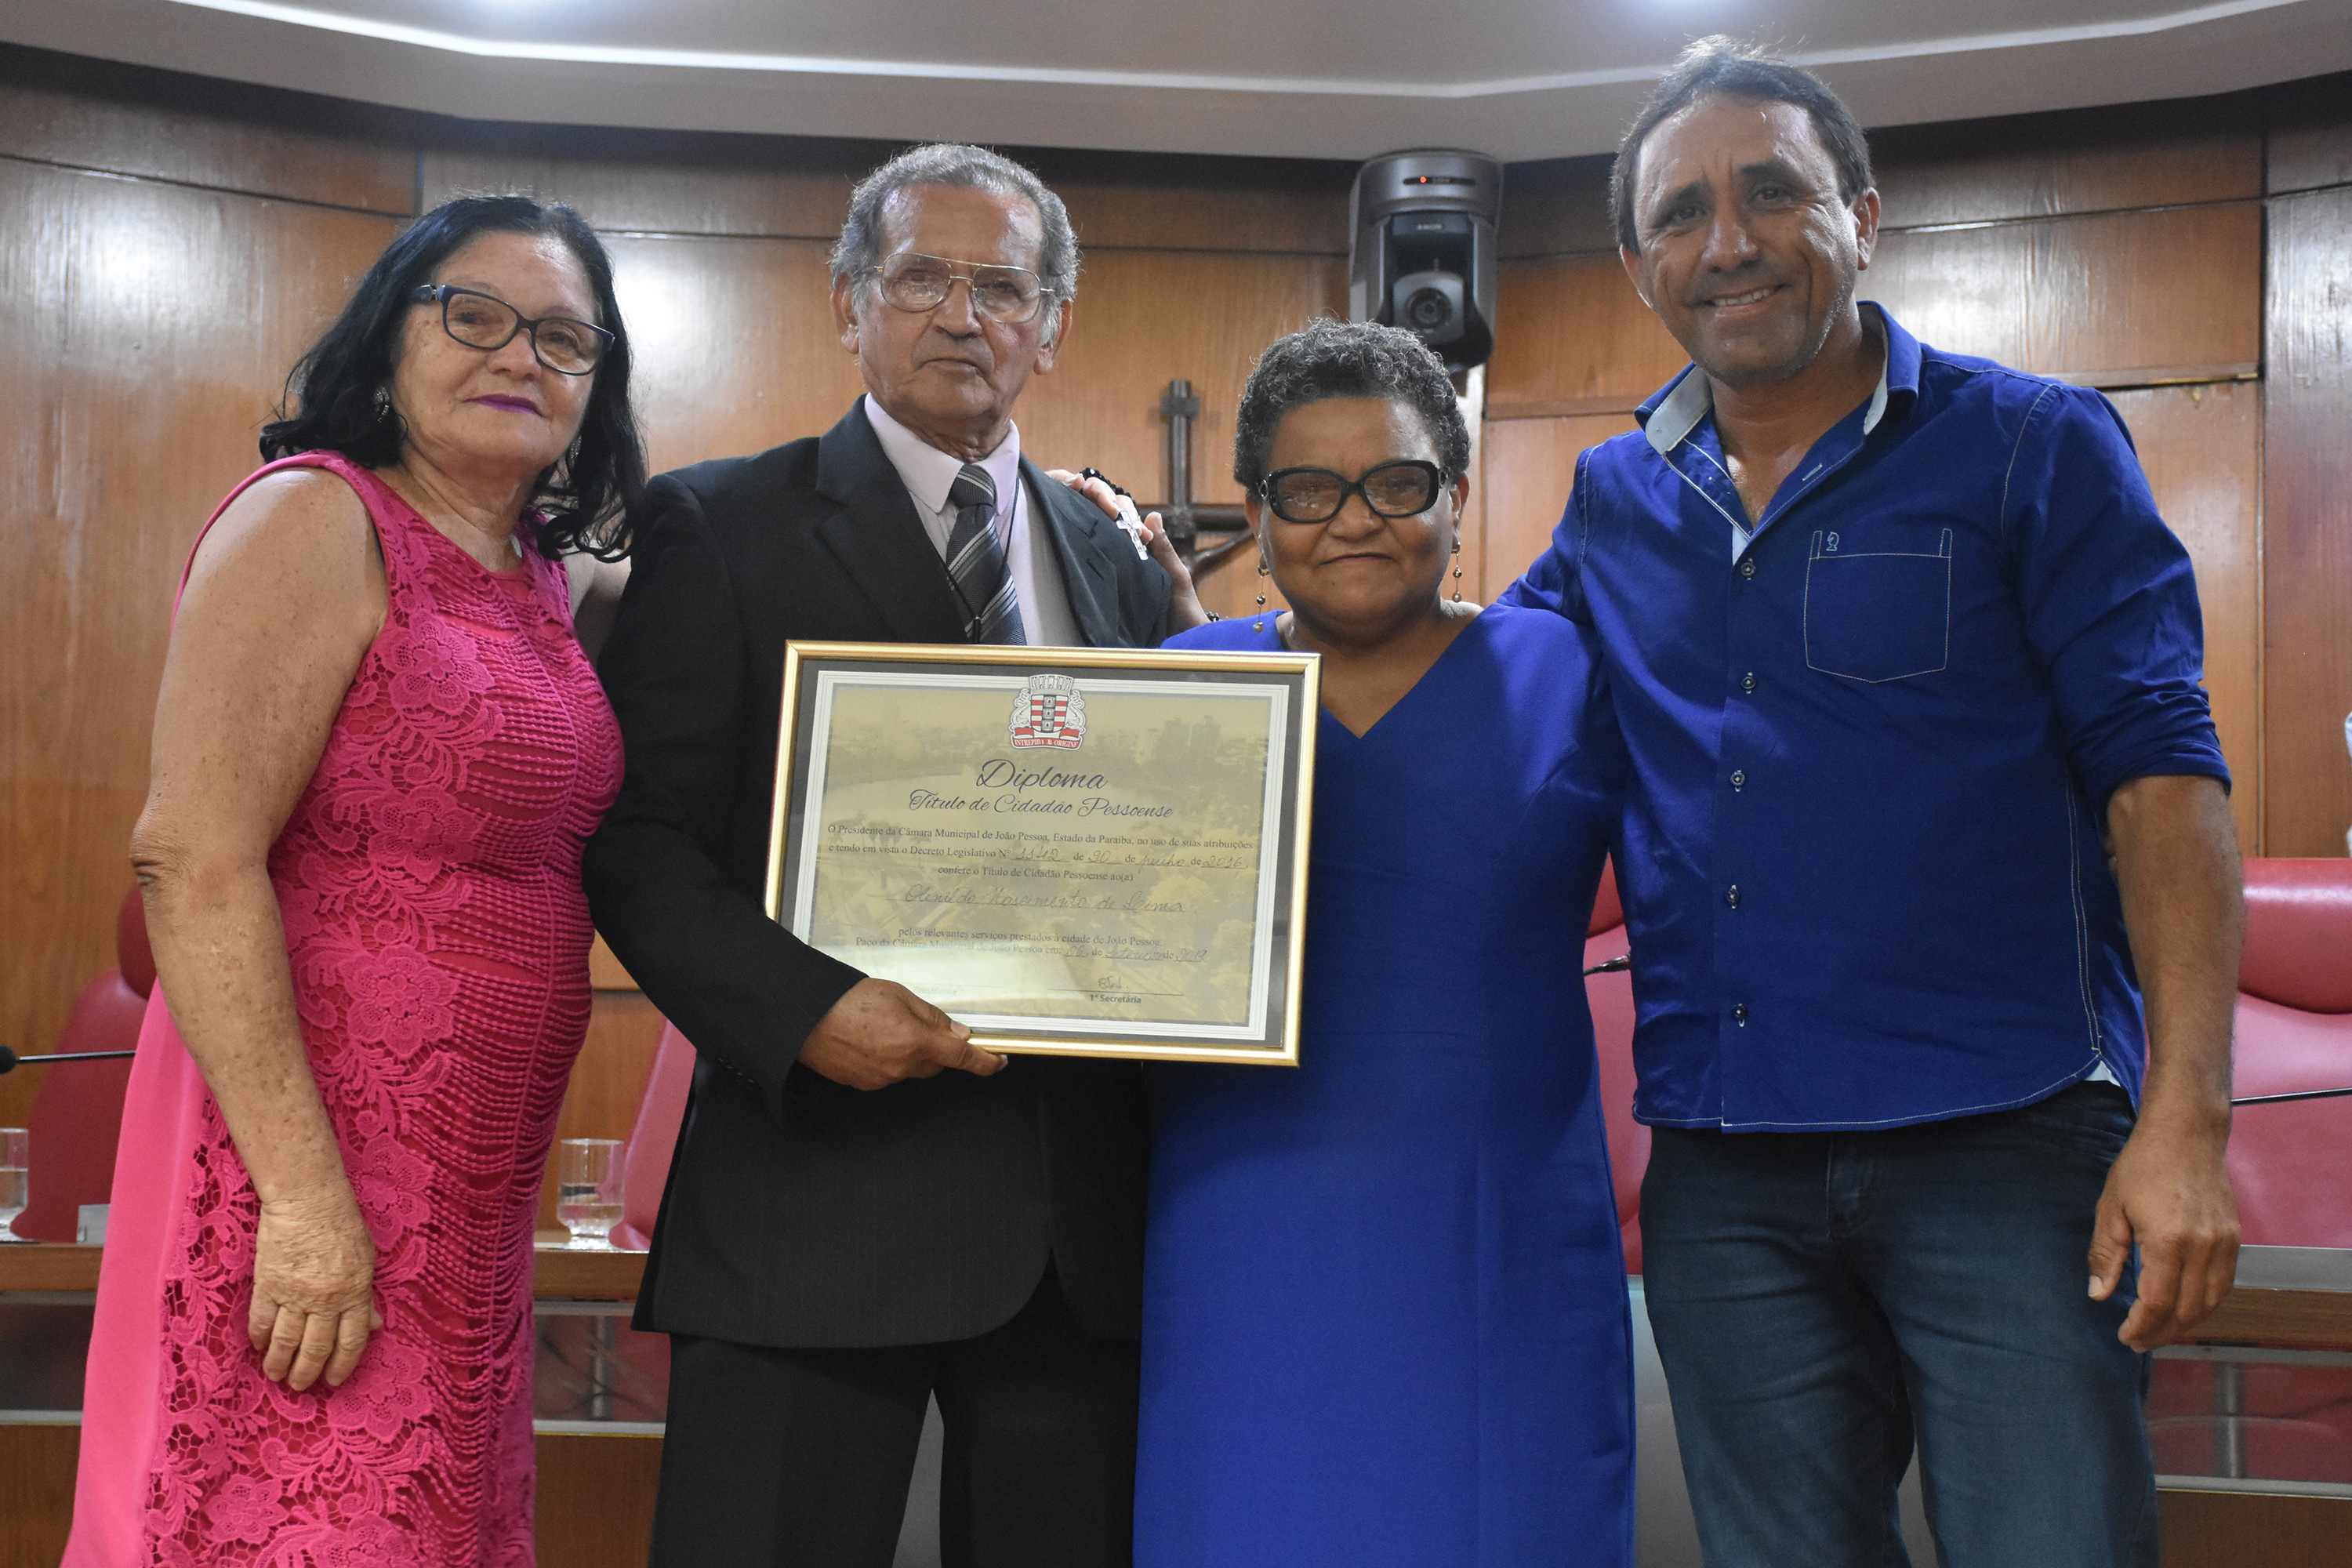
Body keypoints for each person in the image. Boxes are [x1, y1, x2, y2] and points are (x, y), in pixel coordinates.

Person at [1502, 38, 2243, 1567]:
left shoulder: (2032, 443)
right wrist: (1225, 669)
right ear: (1640, 268)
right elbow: (1472, 691)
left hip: (2007, 1141)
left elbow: (2162, 780)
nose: (1729, 241)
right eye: (1681, 214)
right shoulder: (1612, 498)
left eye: (1772, 192)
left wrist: (2186, 1119)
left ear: (1862, 216)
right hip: (1724, 1163)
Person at [583, 143, 1195, 1568]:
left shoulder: (1117, 560)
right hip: (811, 1210)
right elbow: (639, 842)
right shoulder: (718, 523)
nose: (962, 316)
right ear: (850, 302)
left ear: (1053, 324)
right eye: (922, 278)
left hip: (1072, 1234)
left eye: (1003, 287)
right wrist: (807, 1014)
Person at [66, 194, 644, 1566]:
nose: (520, 356)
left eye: (564, 338)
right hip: (309, 1159)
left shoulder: (541, 578)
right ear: (389, 338)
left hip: (471, 1191)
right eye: (475, 316)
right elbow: (191, 860)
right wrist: (308, 1203)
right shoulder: (315, 519)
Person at [1142, 319, 1635, 1566]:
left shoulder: (1568, 672)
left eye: (1398, 483)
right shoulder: (1183, 682)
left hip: (1498, 1225)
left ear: (1456, 496)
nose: (1354, 520)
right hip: (1239, 1216)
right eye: (1308, 490)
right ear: (1259, 515)